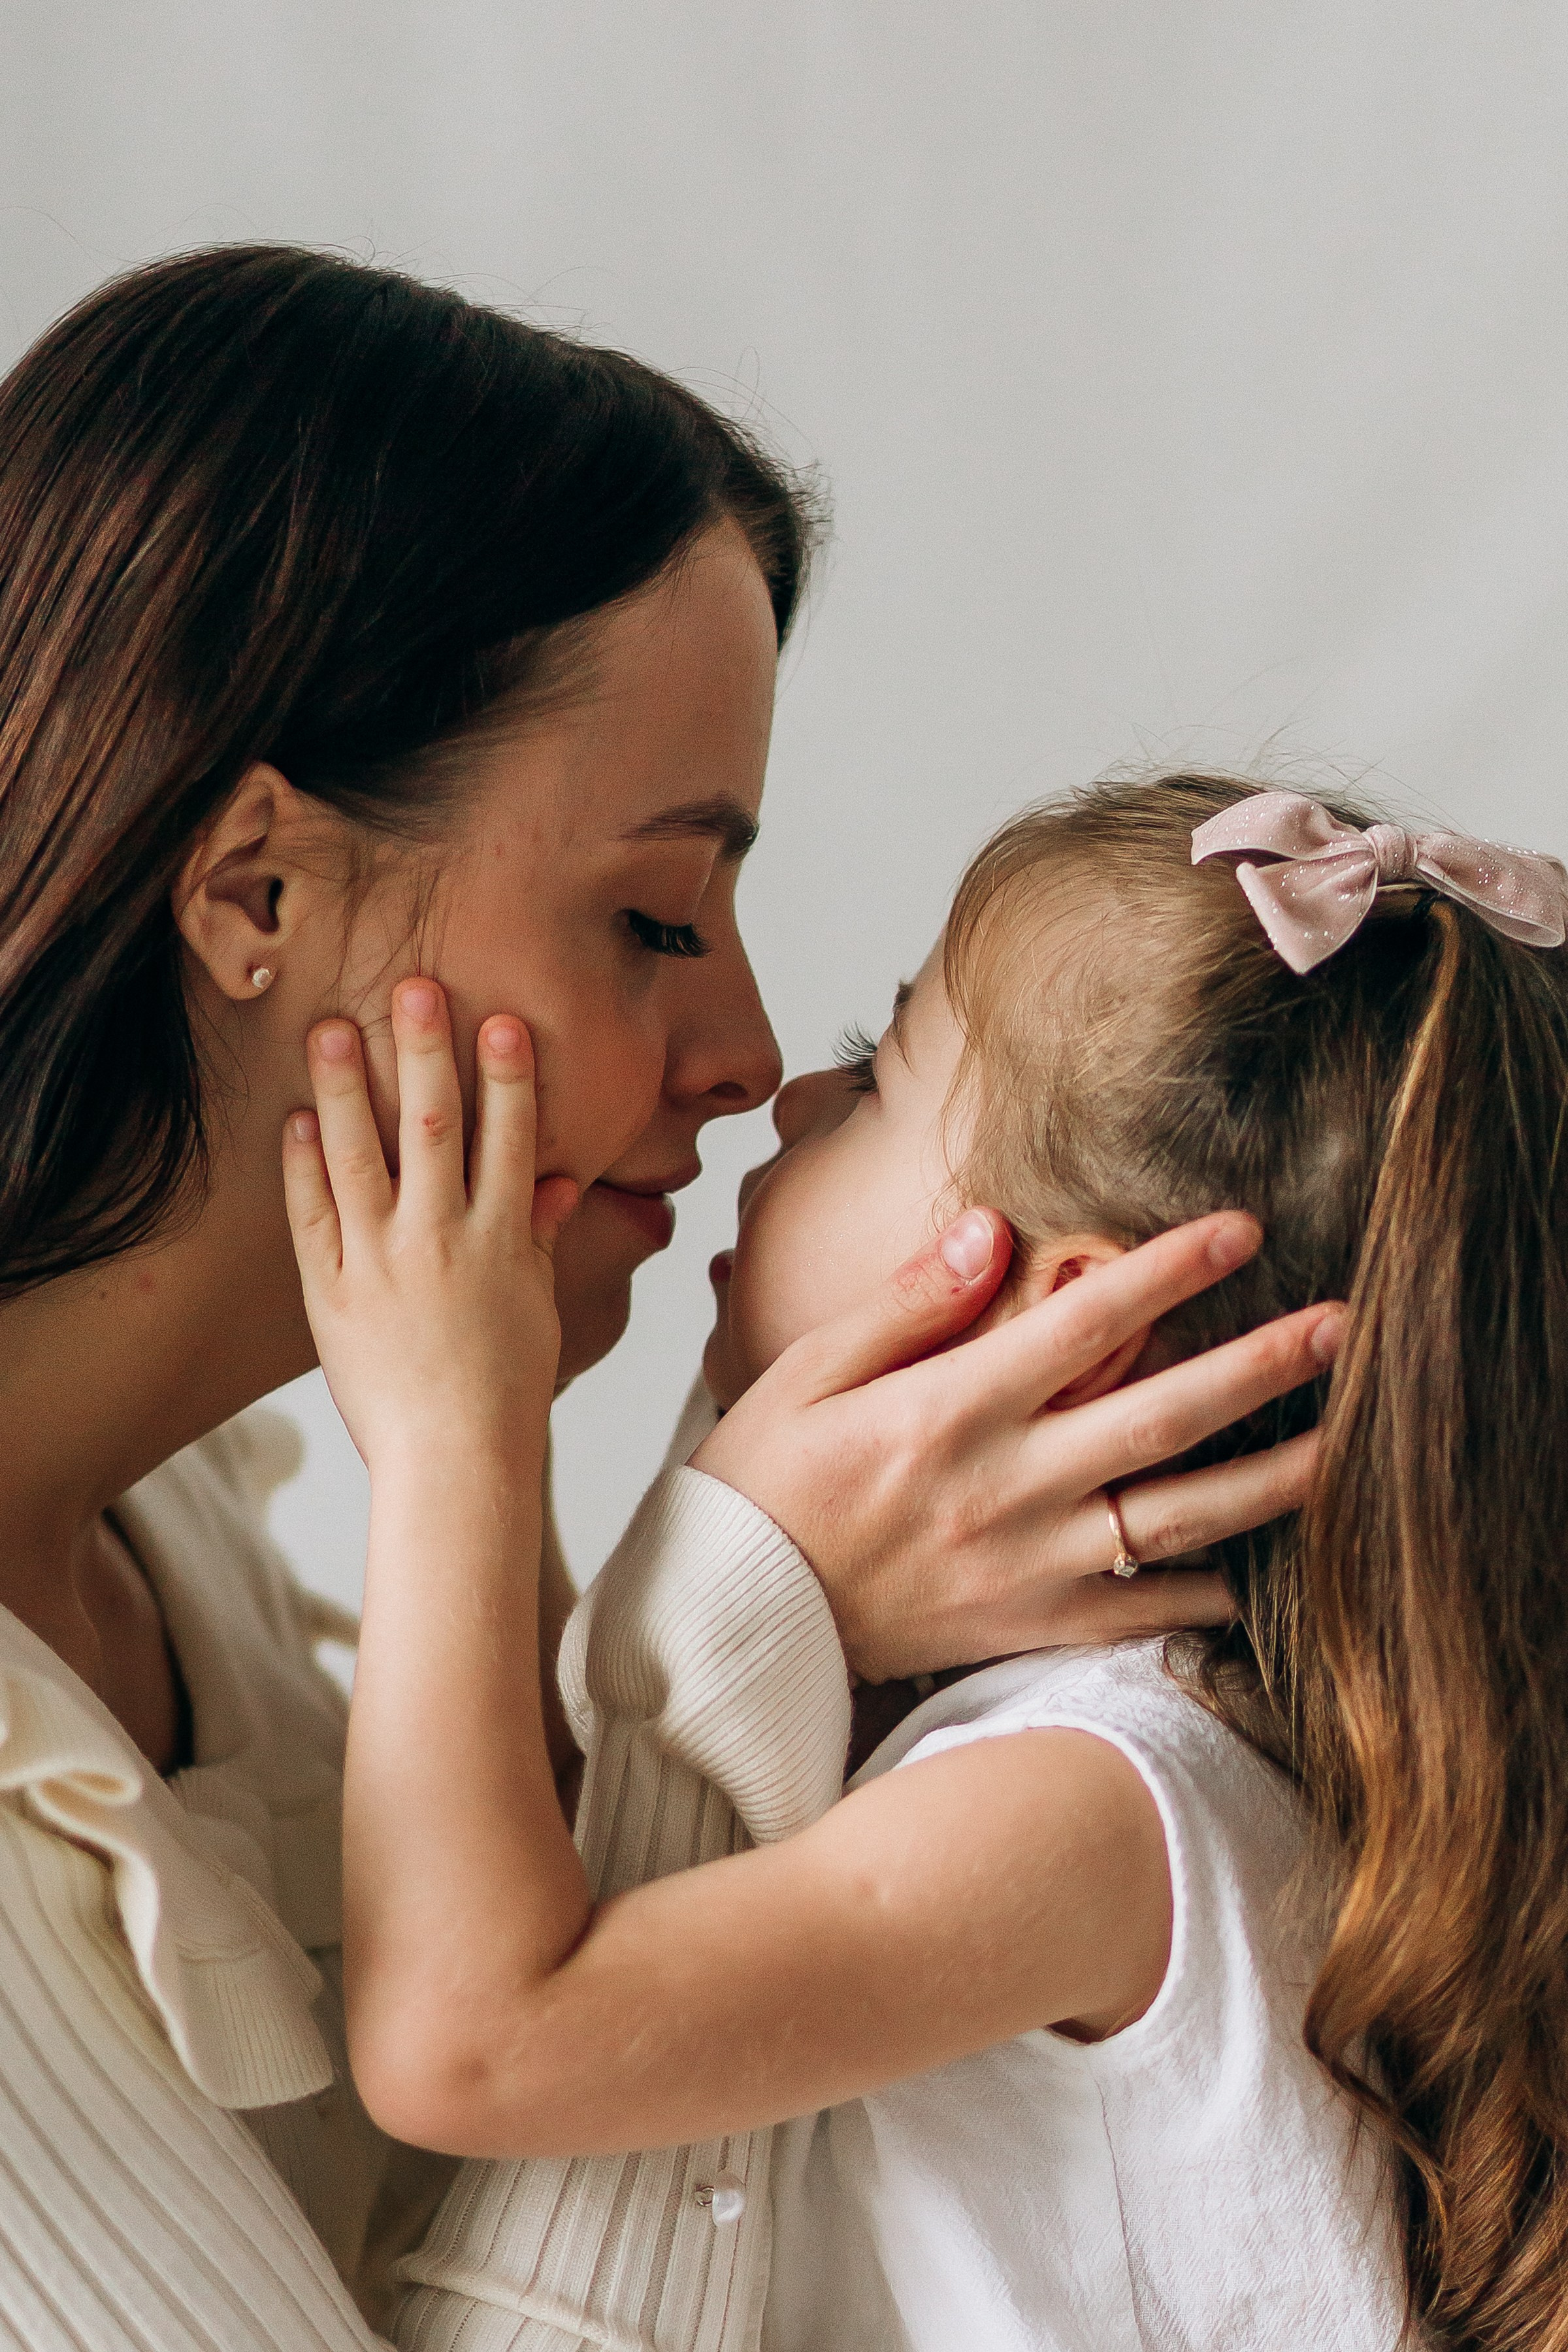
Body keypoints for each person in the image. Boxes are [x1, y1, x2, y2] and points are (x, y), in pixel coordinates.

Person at [0, 250, 1322, 2349]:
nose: (749, 1052)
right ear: (258, 894)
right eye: (650, 914)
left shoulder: (187, 1547)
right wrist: (735, 1625)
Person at [299, 774, 1568, 2352]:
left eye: (874, 1076)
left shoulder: (1087, 1804)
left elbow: (472, 2041)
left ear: (1068, 1325)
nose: (795, 1107)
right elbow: (589, 1827)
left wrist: (451, 1444)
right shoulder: (1097, 1744)